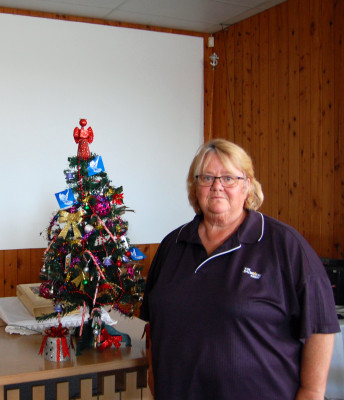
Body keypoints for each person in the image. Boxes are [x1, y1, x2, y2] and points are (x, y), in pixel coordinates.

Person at [140, 138, 340, 400]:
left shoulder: (285, 245)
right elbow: (154, 326)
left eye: (229, 178)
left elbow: (320, 326)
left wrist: (312, 392)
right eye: (207, 178)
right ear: (195, 187)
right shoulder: (172, 245)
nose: (217, 186)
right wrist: (155, 379)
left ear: (247, 185)